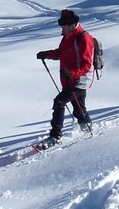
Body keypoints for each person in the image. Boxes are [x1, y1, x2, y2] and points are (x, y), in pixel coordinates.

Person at [36, 9, 95, 145]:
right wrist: (46, 54)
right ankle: (87, 128)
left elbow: (87, 64)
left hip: (80, 80)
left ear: (72, 25)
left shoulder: (84, 38)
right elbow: (61, 53)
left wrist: (72, 73)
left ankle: (55, 136)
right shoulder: (67, 37)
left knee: (59, 102)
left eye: (64, 26)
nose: (62, 28)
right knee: (79, 107)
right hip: (69, 80)